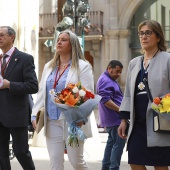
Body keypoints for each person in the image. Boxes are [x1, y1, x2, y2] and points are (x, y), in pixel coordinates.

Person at [31, 29, 94, 170]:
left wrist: (82, 117)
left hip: (72, 121)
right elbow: (42, 93)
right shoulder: (49, 66)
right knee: (55, 163)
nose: (59, 41)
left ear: (73, 44)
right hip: (51, 120)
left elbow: (87, 93)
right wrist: (34, 114)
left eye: (64, 40)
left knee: (76, 161)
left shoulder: (82, 66)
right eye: (58, 39)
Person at [117, 20, 170, 170]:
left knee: (159, 164)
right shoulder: (134, 63)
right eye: (141, 33)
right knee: (134, 161)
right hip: (137, 122)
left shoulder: (167, 59)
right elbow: (127, 94)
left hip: (159, 121)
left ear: (158, 37)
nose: (144, 37)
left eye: (148, 33)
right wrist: (123, 120)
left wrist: (165, 104)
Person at [0, 26, 38, 170]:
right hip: (0, 115)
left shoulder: (24, 58)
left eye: (2, 35)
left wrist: (10, 85)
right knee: (1, 154)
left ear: (12, 37)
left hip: (16, 115)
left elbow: (33, 86)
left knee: (21, 151)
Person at [96, 60, 126, 170]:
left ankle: (106, 167)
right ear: (109, 68)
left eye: (120, 72)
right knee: (118, 145)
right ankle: (113, 168)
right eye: (117, 71)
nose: (118, 74)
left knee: (111, 144)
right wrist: (121, 110)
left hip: (112, 119)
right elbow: (105, 100)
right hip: (115, 119)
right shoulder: (105, 80)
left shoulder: (108, 79)